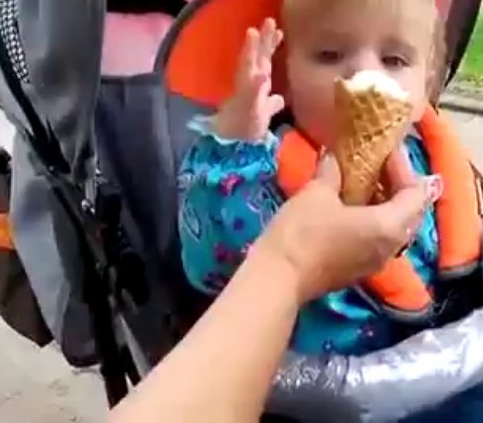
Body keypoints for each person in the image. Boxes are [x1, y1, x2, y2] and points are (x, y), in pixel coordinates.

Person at [177, 0, 483, 420]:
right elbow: (210, 260)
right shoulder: (263, 172)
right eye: (329, 54)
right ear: (286, 75)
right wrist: (234, 144)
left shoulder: (427, 158)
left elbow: (471, 229)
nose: (363, 73)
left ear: (428, 83)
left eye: (393, 59)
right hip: (325, 400)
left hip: (440, 374)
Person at [110, 153, 432, 422]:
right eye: (327, 70)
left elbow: (471, 238)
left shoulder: (421, 162)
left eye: (397, 70)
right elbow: (205, 265)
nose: (360, 75)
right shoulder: (258, 176)